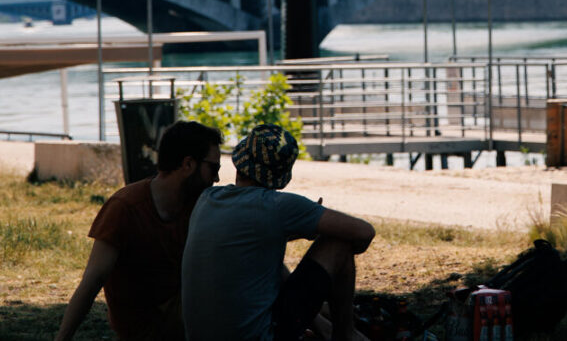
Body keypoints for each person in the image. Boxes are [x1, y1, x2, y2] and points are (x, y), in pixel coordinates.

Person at [181, 124, 376, 341]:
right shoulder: (279, 206)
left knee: (263, 254)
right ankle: (345, 333)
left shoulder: (208, 199)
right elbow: (363, 232)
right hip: (262, 336)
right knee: (339, 243)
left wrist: (292, 230)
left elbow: (248, 237)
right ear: (282, 174)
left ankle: (325, 326)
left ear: (240, 160)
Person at [57, 120, 224, 341]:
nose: (217, 179)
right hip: (146, 329)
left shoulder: (198, 205)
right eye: (214, 168)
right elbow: (93, 280)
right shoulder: (125, 208)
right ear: (188, 165)